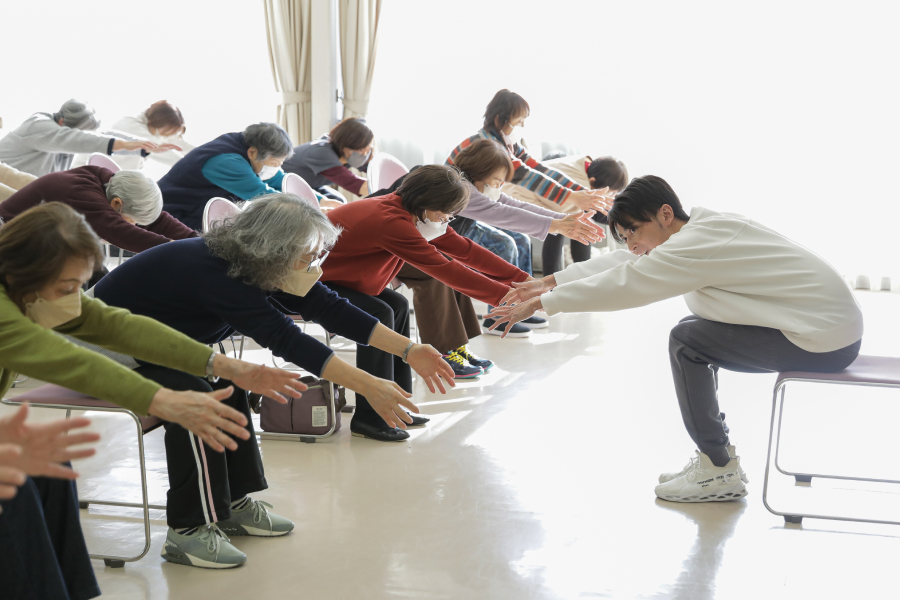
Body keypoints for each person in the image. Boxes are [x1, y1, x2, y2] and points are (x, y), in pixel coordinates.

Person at [94, 193, 456, 559]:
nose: (316, 264)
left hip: (160, 346)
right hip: (103, 348)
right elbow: (287, 340)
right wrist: (368, 385)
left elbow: (329, 307)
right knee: (198, 397)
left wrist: (409, 349)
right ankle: (188, 531)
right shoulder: (215, 273)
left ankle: (232, 504)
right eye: (309, 255)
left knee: (230, 382)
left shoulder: (256, 264)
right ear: (275, 249)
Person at [490, 175, 863, 503]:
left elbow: (629, 283)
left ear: (665, 214)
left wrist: (546, 302)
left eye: (633, 232)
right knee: (692, 333)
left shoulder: (697, 244)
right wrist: (549, 282)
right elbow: (626, 264)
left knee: (688, 340)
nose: (631, 245)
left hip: (823, 340)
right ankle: (716, 457)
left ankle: (718, 468)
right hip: (827, 330)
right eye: (624, 238)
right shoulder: (700, 230)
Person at [0, 202, 306, 590]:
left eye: (79, 286)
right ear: (21, 274)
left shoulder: (31, 291)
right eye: (67, 288)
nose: (75, 299)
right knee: (24, 480)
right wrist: (160, 399)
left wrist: (221, 365)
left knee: (50, 468)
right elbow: (70, 361)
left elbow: (119, 326)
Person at [321, 165, 530, 439]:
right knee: (380, 312)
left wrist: (523, 281)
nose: (446, 220)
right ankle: (371, 418)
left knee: (396, 305)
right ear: (425, 203)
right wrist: (509, 298)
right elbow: (448, 270)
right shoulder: (392, 222)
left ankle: (397, 409)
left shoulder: (411, 212)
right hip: (316, 284)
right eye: (444, 214)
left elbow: (466, 250)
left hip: (344, 280)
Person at [385, 140, 603, 377]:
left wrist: (560, 221)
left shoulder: (470, 185)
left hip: (429, 239)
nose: (500, 185)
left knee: (458, 265)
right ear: (480, 171)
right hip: (398, 242)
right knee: (443, 273)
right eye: (498, 180)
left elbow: (511, 205)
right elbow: (500, 213)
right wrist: (557, 225)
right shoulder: (458, 188)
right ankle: (445, 351)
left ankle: (458, 346)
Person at [444, 90, 611, 285]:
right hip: (452, 219)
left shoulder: (507, 144)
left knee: (521, 240)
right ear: (500, 119)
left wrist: (577, 197)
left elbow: (539, 170)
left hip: (471, 213)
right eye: (518, 120)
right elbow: (523, 183)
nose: (522, 125)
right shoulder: (487, 148)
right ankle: (507, 301)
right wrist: (569, 202)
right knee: (506, 244)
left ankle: (526, 295)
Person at [0, 166, 197, 254]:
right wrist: (173, 247)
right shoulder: (82, 194)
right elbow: (118, 230)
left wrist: (194, 239)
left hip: (34, 241)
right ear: (116, 204)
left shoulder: (109, 182)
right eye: (132, 220)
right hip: (8, 239)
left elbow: (157, 220)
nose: (135, 225)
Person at [506, 153, 629, 276]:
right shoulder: (578, 181)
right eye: (611, 193)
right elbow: (587, 212)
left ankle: (577, 275)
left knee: (575, 221)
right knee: (566, 224)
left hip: (526, 193)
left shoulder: (585, 166)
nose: (611, 197)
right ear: (592, 181)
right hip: (513, 197)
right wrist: (624, 220)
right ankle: (561, 278)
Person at [158, 122, 293, 230]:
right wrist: (299, 206)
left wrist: (305, 198)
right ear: (252, 152)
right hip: (170, 214)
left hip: (196, 211)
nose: (275, 168)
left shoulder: (249, 147)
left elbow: (282, 180)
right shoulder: (227, 161)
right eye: (274, 163)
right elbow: (262, 194)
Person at [0, 99, 177, 177]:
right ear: (62, 122)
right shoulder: (38, 125)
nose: (84, 135)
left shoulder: (61, 129)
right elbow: (79, 139)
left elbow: (101, 134)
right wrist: (125, 144)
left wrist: (142, 146)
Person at [73, 100, 195, 171]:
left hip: (98, 178)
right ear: (160, 122)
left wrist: (202, 153)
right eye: (167, 131)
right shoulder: (132, 128)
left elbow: (177, 144)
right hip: (84, 174)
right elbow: (166, 153)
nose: (167, 136)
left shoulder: (146, 127)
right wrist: (195, 167)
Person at [282, 117, 372, 204]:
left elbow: (373, 169)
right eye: (360, 149)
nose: (364, 154)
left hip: (309, 185)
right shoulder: (323, 153)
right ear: (346, 144)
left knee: (338, 201)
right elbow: (354, 183)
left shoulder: (348, 153)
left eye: (368, 149)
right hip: (285, 186)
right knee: (333, 205)